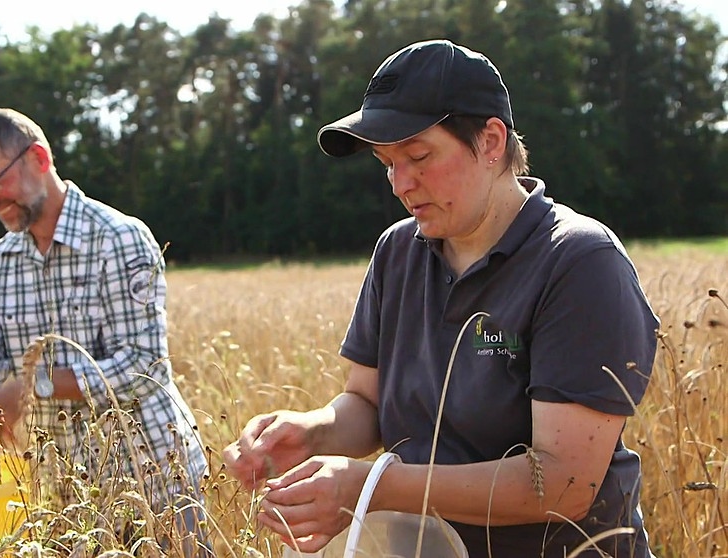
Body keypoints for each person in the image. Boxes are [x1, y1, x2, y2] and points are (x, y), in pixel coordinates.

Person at [223, 39, 659, 557]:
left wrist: (371, 488)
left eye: (419, 156)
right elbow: (367, 403)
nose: (399, 184)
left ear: (491, 140)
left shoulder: (578, 261)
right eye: (387, 162)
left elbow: (563, 484)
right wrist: (312, 432)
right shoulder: (397, 252)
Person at [0, 108, 209, 552]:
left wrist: (34, 385)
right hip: (67, 492)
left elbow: (144, 368)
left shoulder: (119, 239)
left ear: (39, 159)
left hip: (156, 479)